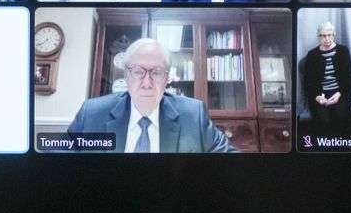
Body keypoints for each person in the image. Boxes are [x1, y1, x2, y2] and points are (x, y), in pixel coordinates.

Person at [67, 39, 238, 152]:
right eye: (138, 72)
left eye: (156, 73)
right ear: (126, 76)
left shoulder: (193, 114)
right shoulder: (92, 113)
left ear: (167, 78)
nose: (147, 83)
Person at [303, 22, 351, 133]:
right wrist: (317, 97)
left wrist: (338, 94)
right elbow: (308, 82)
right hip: (320, 94)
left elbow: (349, 79)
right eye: (323, 35)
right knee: (323, 120)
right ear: (318, 36)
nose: (326, 38)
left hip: (340, 92)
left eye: (329, 35)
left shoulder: (343, 51)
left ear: (334, 35)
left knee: (341, 117)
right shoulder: (312, 55)